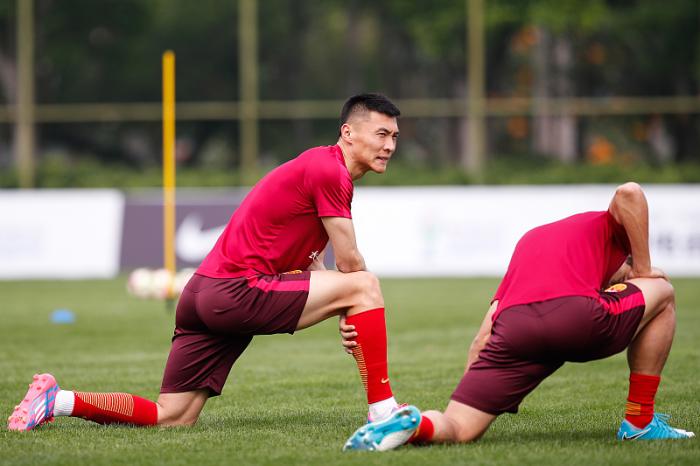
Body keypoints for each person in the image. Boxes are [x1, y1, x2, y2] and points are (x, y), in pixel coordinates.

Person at [8, 93, 405, 431]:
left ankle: (57, 400)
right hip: (236, 292)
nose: (389, 145)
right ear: (347, 133)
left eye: (394, 137)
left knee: (172, 417)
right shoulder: (330, 171)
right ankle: (384, 413)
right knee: (366, 284)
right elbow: (350, 265)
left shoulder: (319, 168)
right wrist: (349, 304)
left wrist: (344, 308)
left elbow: (314, 264)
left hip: (200, 294)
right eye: (381, 134)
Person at [342, 182, 695, 451]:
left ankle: (412, 424)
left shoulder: (532, 240)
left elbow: (482, 336)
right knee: (662, 293)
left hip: (515, 330)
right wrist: (643, 271)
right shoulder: (609, 228)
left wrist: (476, 388)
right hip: (575, 316)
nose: (618, 283)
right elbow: (630, 192)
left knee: (459, 427)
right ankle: (639, 422)